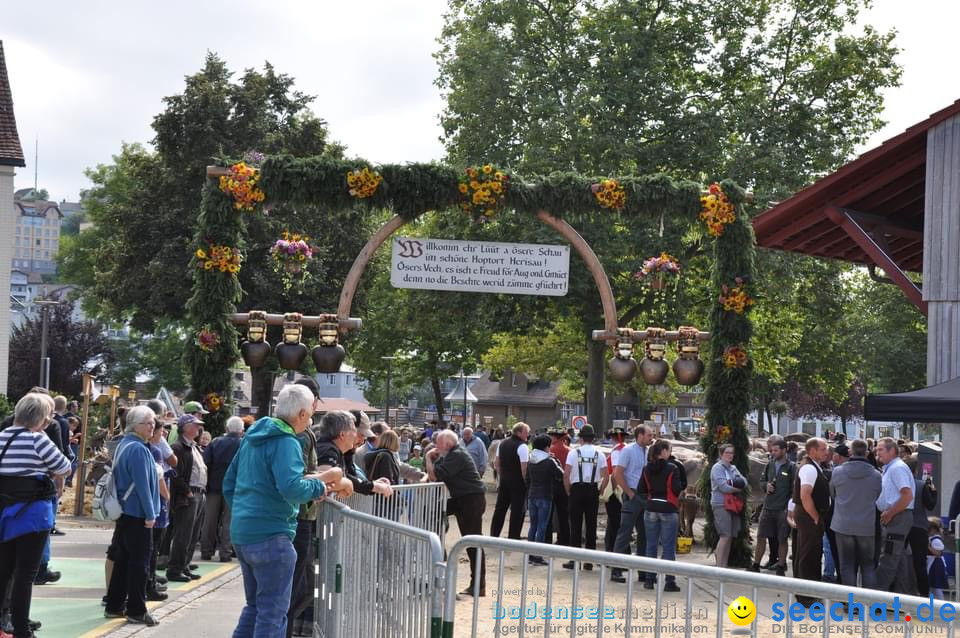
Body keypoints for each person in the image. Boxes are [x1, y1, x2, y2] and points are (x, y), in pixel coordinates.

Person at [224, 385, 352, 637]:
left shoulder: (252, 437)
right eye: (312, 411)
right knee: (272, 614)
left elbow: (229, 484)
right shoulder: (286, 441)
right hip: (273, 535)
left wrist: (245, 513)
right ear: (303, 413)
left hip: (243, 533)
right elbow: (292, 488)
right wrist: (320, 483)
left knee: (255, 607)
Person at [0, 393, 71, 638]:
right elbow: (64, 466)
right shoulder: (38, 440)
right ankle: (22, 629)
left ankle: (3, 621)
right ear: (40, 418)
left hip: (5, 513)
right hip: (32, 515)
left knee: (4, 570)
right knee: (25, 574)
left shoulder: (2, 437)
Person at [103, 406, 162, 627]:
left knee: (123, 561)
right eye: (148, 423)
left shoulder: (124, 444)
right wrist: (150, 513)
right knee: (140, 563)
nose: (152, 427)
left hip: (125, 512)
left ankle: (114, 604)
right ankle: (137, 610)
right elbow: (143, 485)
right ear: (136, 425)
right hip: (137, 513)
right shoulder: (138, 449)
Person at [426, 431, 486, 598]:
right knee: (434, 512)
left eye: (438, 443)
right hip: (461, 498)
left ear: (447, 444)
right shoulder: (451, 455)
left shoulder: (457, 455)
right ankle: (439, 548)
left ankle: (478, 585)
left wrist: (427, 457)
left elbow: (434, 475)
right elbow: (435, 476)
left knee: (473, 541)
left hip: (471, 499)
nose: (436, 447)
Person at [829, 439, 882, 589]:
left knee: (846, 565)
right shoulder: (876, 475)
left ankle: (850, 603)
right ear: (866, 453)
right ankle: (869, 602)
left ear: (850, 452)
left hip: (843, 525)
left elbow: (833, 494)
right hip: (866, 526)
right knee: (868, 565)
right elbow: (879, 497)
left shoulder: (837, 472)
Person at [638, 439, 685, 591]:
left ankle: (649, 580)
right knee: (668, 546)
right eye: (669, 449)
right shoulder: (672, 468)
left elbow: (641, 489)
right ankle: (669, 581)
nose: (670, 452)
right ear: (663, 451)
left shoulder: (646, 468)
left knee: (650, 545)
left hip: (651, 508)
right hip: (668, 508)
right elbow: (677, 488)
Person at [166, 414, 207, 582]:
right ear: (186, 427)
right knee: (184, 534)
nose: (199, 428)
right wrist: (187, 492)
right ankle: (175, 569)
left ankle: (184, 566)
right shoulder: (178, 447)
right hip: (189, 494)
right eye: (195, 425)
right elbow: (176, 474)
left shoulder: (193, 446)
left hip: (199, 493)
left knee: (193, 534)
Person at [610, 425, 652, 583]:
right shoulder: (627, 451)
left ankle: (642, 571)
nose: (651, 437)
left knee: (645, 534)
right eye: (648, 434)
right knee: (625, 533)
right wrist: (629, 493)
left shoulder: (648, 452)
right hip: (633, 494)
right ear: (639, 435)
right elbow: (618, 474)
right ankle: (616, 570)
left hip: (645, 496)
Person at [562, 424, 607, 570]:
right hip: (592, 490)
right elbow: (606, 476)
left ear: (580, 438)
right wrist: (600, 491)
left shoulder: (573, 453)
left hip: (577, 489)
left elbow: (566, 475)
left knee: (575, 525)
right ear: (592, 438)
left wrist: (569, 490)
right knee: (591, 525)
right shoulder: (599, 454)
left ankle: (575, 560)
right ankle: (589, 560)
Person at [874, 437, 916, 594]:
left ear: (892, 451)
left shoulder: (897, 468)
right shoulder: (892, 467)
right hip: (896, 516)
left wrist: (890, 513)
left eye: (880, 450)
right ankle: (903, 598)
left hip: (897, 517)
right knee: (898, 560)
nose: (877, 453)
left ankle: (873, 600)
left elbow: (907, 495)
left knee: (888, 559)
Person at [793, 438, 831, 604]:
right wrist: (815, 516)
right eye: (823, 449)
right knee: (809, 555)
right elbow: (805, 494)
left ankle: (806, 592)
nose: (826, 452)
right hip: (809, 516)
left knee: (809, 552)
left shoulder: (813, 466)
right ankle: (806, 597)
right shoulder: (809, 468)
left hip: (809, 515)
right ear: (813, 450)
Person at [750, 436, 795, 576]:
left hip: (782, 509)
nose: (773, 452)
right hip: (768, 507)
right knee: (761, 536)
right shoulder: (769, 464)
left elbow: (794, 489)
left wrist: (789, 508)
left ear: (784, 450)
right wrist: (766, 486)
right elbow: (762, 481)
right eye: (772, 450)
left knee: (782, 539)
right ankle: (756, 564)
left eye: (776, 450)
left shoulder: (792, 467)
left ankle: (781, 567)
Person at [201, 416, 244, 563]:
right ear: (241, 431)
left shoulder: (215, 442)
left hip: (213, 487)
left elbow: (205, 463)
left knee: (209, 520)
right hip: (234, 488)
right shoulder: (244, 444)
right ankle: (225, 553)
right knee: (229, 521)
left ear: (227, 428)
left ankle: (206, 551)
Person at [525, 434, 562, 565]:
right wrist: (556, 460)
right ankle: (538, 555)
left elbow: (527, 479)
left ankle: (530, 554)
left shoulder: (531, 460)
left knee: (533, 526)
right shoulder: (549, 461)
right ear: (546, 447)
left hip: (532, 495)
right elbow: (560, 474)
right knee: (542, 526)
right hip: (545, 495)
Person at [490, 422, 530, 540]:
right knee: (518, 510)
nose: (527, 434)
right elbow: (524, 468)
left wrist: (503, 476)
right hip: (518, 483)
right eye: (526, 432)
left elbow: (497, 463)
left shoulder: (502, 443)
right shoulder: (522, 446)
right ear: (519, 432)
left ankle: (494, 535)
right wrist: (526, 482)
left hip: (504, 481)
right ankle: (513, 536)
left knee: (500, 508)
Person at [710, 443, 747, 569]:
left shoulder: (733, 468)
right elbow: (724, 487)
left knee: (730, 535)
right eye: (727, 453)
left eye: (731, 453)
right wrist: (736, 487)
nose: (730, 455)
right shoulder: (717, 468)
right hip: (721, 504)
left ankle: (724, 566)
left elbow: (744, 482)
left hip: (732, 505)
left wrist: (733, 484)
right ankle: (719, 566)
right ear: (721, 454)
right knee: (724, 535)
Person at [907, 462, 937, 597]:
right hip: (919, 527)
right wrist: (934, 492)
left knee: (899, 560)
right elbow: (930, 505)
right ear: (917, 470)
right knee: (920, 563)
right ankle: (924, 594)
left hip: (901, 526)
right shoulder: (921, 485)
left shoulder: (900, 484)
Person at [604, 426, 628, 554]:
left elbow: (615, 472)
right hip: (624, 487)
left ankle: (616, 552)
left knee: (615, 523)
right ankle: (610, 550)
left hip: (616, 489)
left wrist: (612, 491)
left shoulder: (617, 451)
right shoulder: (626, 449)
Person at [927, 517, 948, 600]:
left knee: (937, 587)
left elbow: (938, 553)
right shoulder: (932, 539)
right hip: (933, 565)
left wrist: (928, 547)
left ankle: (941, 604)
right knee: (932, 586)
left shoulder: (935, 540)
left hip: (935, 566)